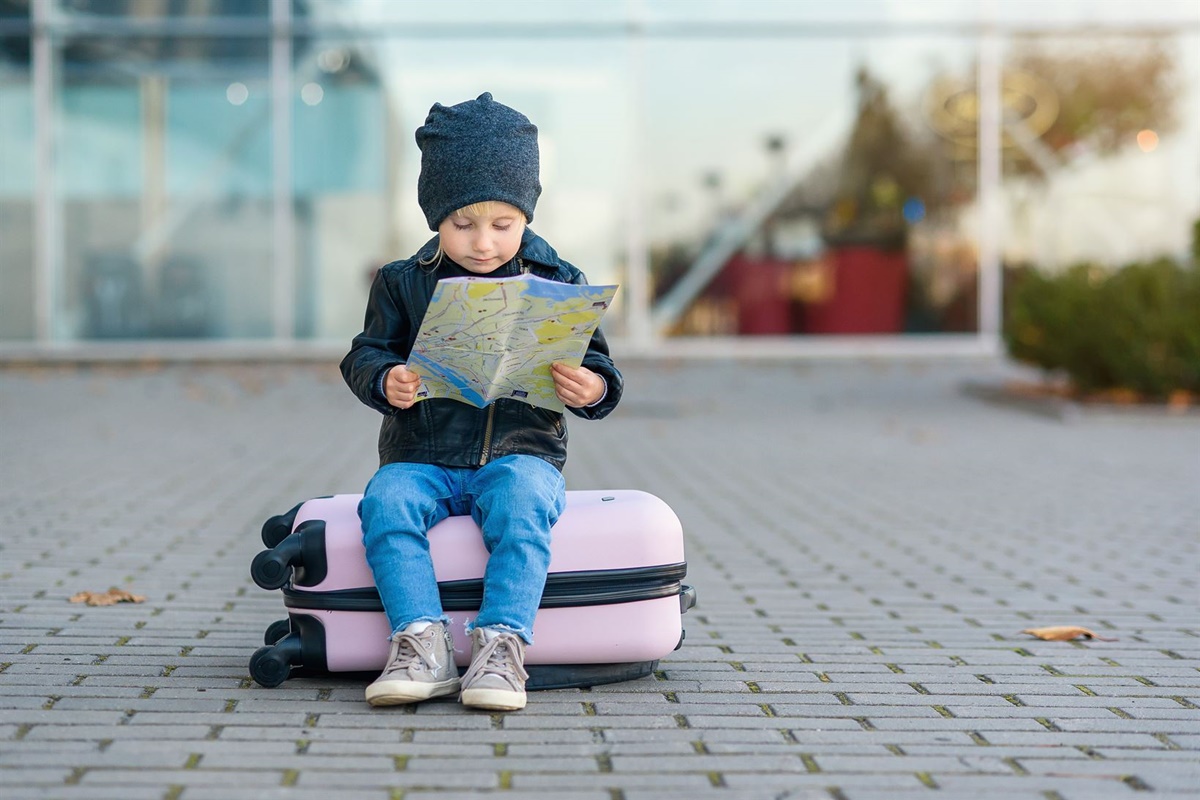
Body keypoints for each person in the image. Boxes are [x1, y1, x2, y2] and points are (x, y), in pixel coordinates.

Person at [340, 92, 623, 712]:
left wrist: (592, 387)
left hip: (522, 453)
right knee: (385, 503)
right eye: (462, 224)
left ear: (527, 215)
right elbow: (364, 353)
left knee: (523, 506)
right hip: (422, 452)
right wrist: (386, 378)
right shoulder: (402, 281)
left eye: (503, 224)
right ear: (435, 216)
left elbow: (598, 364)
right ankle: (421, 642)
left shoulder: (560, 280)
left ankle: (501, 648)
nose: (484, 242)